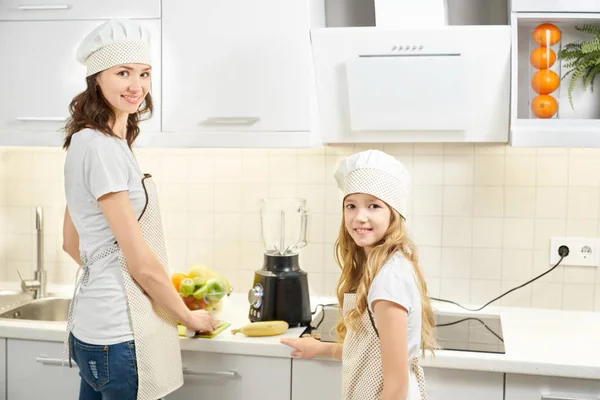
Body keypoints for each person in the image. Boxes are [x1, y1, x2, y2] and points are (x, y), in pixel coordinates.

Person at [61, 19, 216, 400]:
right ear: (98, 78)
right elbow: (141, 263)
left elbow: (71, 242)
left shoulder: (85, 141)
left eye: (144, 74)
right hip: (118, 333)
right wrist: (188, 316)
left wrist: (111, 277)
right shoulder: (103, 150)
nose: (137, 86)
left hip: (92, 328)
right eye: (123, 73)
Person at [281, 149, 437, 400]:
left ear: (393, 214)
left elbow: (396, 387)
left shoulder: (388, 281)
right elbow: (372, 352)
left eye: (373, 206)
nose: (359, 217)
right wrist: (322, 348)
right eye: (351, 205)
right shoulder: (380, 265)